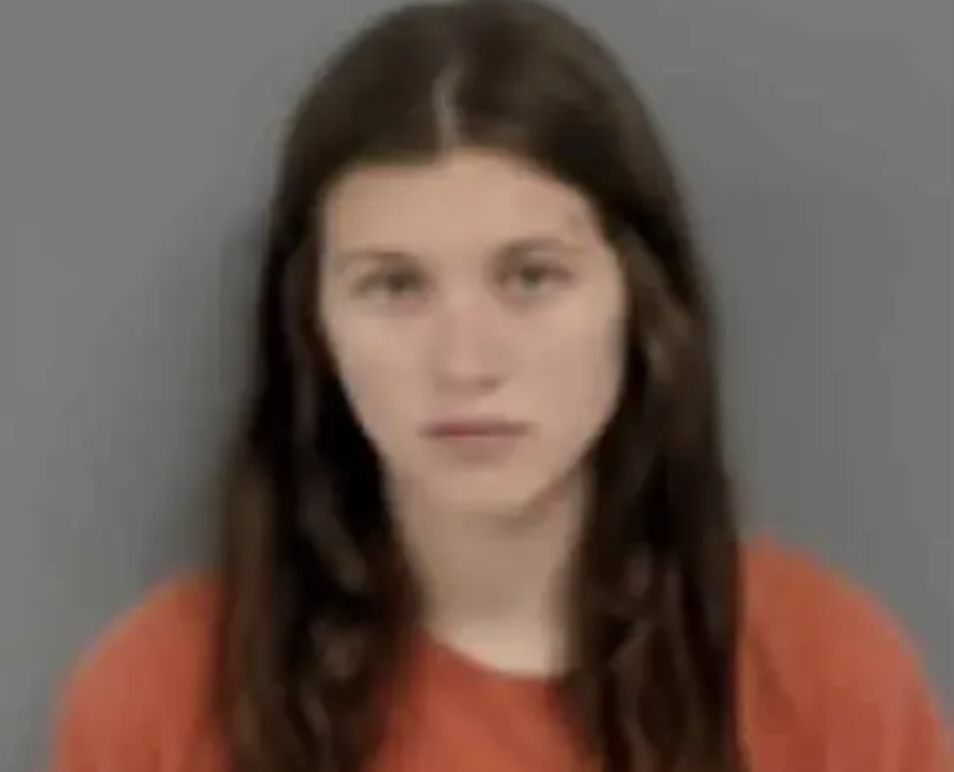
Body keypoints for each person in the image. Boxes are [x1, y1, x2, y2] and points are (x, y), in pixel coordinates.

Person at [48, 1, 951, 771]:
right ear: (311, 324)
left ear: (639, 302)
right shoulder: (161, 699)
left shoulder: (828, 678)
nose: (465, 363)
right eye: (394, 285)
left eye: (531, 277)